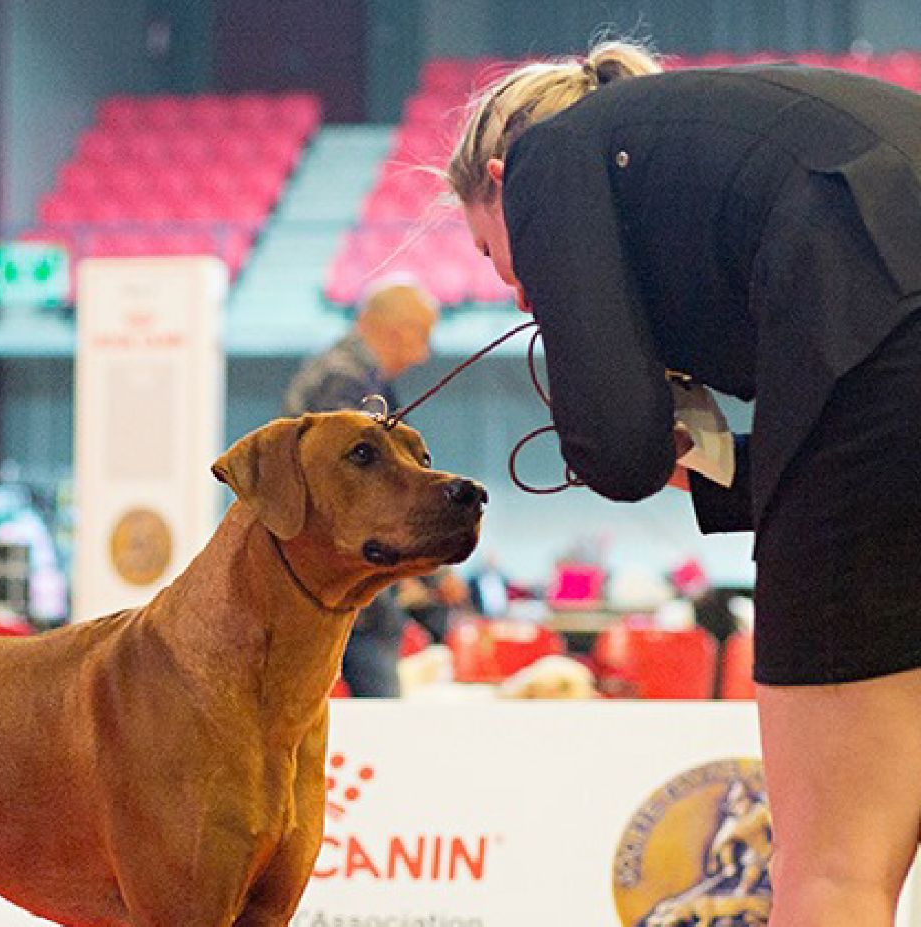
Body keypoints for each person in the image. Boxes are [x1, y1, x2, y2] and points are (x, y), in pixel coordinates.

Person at [446, 39, 921, 927]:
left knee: (832, 867)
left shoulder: (550, 160)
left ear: (504, 183)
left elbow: (620, 450)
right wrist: (709, 470)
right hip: (883, 375)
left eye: (491, 251)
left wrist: (639, 435)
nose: (517, 294)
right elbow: (836, 443)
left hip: (883, 364)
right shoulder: (718, 155)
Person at [282, 274, 440, 696]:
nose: (425, 353)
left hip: (327, 572)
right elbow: (354, 487)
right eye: (424, 335)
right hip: (346, 578)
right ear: (397, 330)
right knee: (378, 707)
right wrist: (402, 563)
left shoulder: (343, 374)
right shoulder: (347, 382)